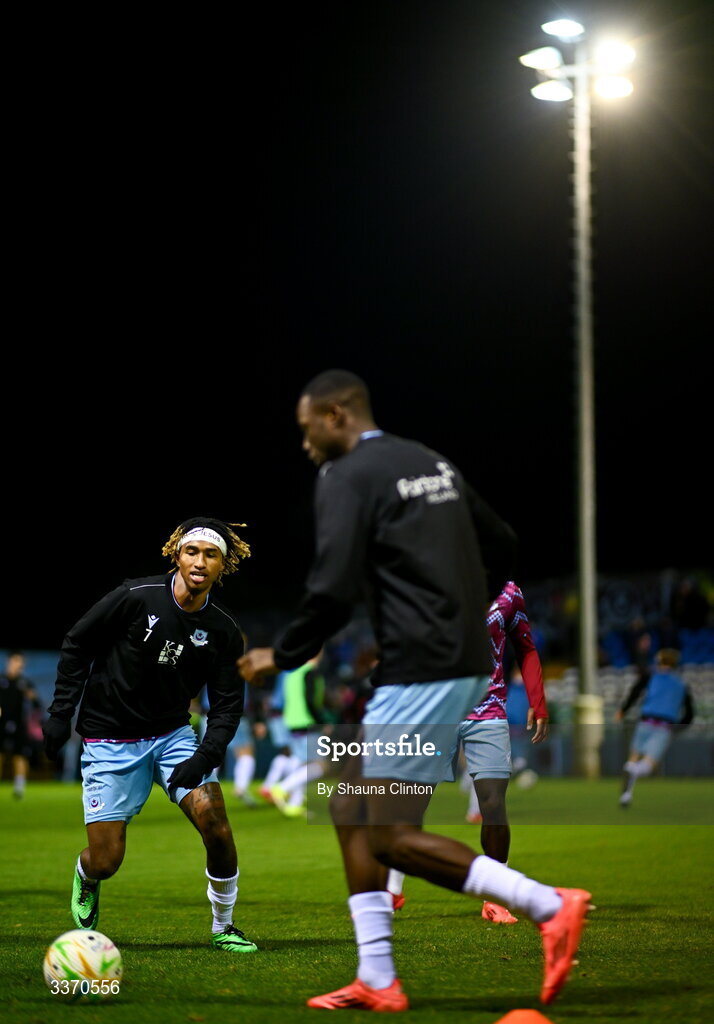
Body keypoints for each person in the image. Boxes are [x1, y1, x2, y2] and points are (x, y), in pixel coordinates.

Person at [239, 370, 591, 1011]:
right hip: (446, 663)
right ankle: (377, 978)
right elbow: (505, 542)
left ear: (337, 414)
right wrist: (457, 602)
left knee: (387, 834)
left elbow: (332, 586)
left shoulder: (344, 475)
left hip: (420, 667)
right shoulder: (431, 462)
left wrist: (281, 654)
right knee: (350, 803)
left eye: (307, 427)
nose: (305, 443)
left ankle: (547, 904)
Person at [42, 517, 258, 953]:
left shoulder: (223, 630)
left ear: (223, 565)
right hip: (110, 739)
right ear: (177, 555)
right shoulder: (134, 596)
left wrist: (205, 755)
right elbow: (77, 643)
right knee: (106, 861)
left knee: (216, 825)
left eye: (211, 554)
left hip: (172, 735)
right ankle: (87, 877)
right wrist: (61, 713)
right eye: (192, 551)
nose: (200, 561)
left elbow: (228, 703)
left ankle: (224, 926)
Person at [387, 579, 549, 925]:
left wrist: (537, 699)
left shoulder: (509, 594)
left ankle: (495, 898)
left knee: (492, 803)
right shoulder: (435, 580)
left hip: (488, 712)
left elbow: (526, 649)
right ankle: (392, 889)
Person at [615, 648, 694, 807]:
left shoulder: (650, 676)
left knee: (633, 757)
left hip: (645, 721)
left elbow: (635, 692)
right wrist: (679, 727)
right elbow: (690, 712)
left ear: (659, 661)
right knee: (648, 765)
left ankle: (626, 793)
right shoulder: (681, 684)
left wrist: (623, 710)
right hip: (664, 726)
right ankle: (634, 771)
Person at [0, 651, 42, 799]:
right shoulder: (1, 680)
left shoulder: (24, 682)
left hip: (19, 724)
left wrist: (32, 697)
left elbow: (37, 704)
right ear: (9, 662)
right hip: (1, 724)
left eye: (21, 663)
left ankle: (19, 788)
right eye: (17, 662)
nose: (19, 666)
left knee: (20, 755)